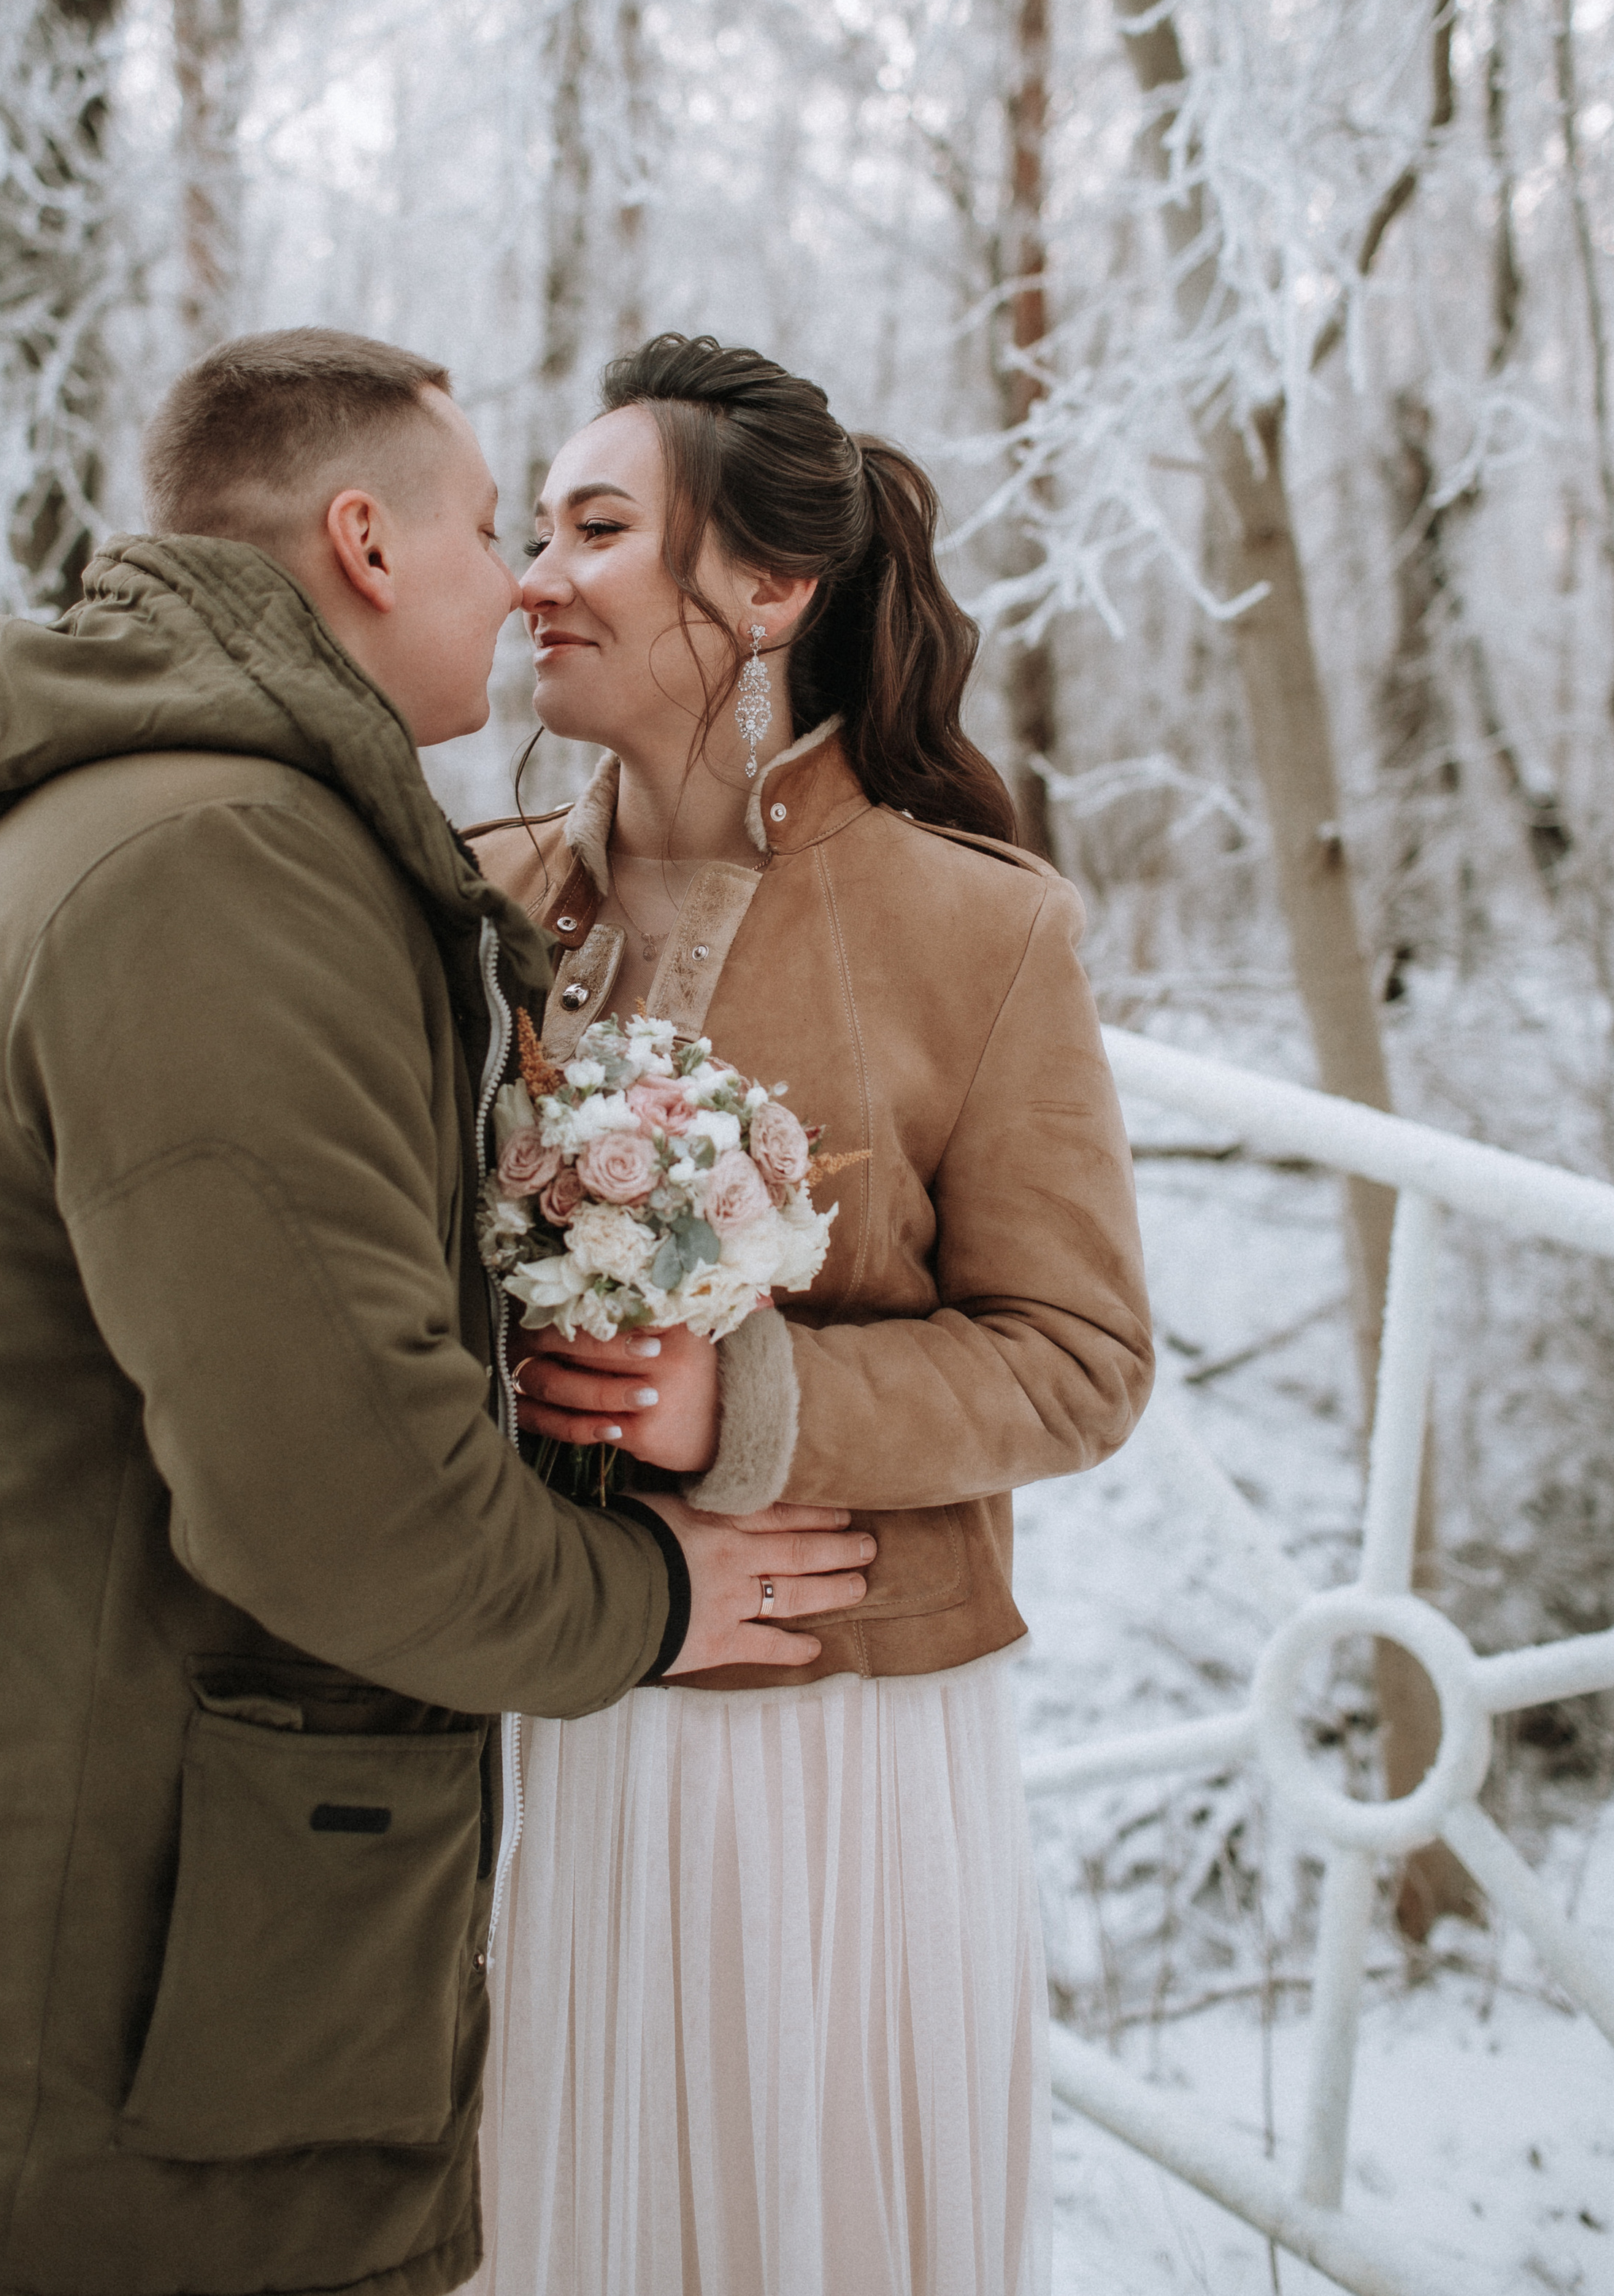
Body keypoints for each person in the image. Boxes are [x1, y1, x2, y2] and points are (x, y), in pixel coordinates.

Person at [0, 328, 875, 2296]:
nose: (518, 584)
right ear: (363, 543)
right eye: (489, 528)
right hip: (120, 2009)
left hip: (98, 1917)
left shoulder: (184, 812)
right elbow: (351, 1511)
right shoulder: (226, 869)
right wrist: (656, 1598)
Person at [465, 334, 1157, 2296]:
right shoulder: (478, 899)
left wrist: (740, 1407)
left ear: (768, 590)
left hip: (822, 1752)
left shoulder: (979, 926)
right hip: (519, 1706)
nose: (531, 577)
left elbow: (1081, 1360)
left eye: (596, 529)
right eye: (534, 528)